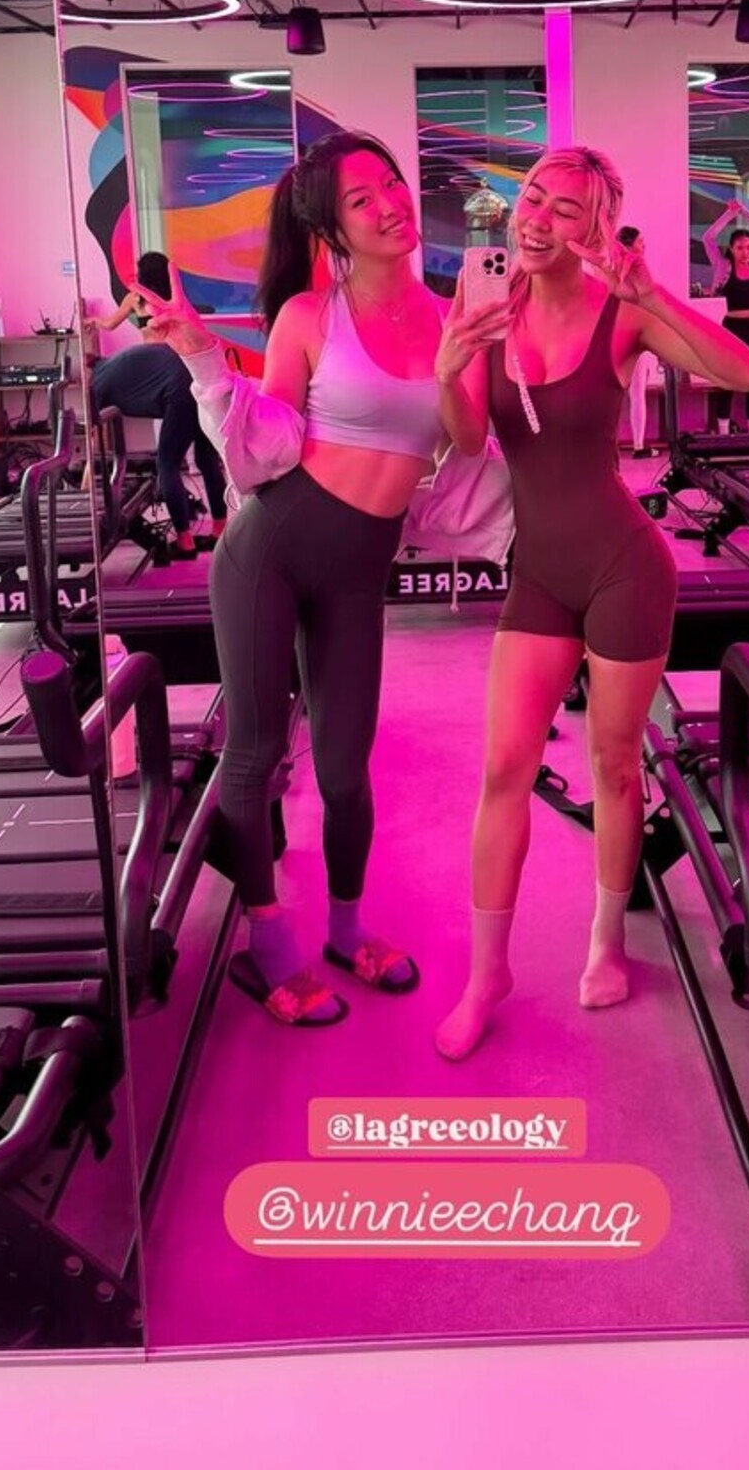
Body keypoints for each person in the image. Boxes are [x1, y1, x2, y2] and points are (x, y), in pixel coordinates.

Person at [136, 131, 507, 1029]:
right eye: (360, 199)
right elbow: (263, 446)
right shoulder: (308, 315)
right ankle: (267, 947)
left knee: (344, 768)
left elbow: (466, 437)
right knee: (256, 751)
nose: (390, 204)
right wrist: (202, 356)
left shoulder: (455, 315)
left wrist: (454, 366)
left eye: (392, 184)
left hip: (359, 572)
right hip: (270, 549)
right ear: (332, 228)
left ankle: (346, 930)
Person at [432, 145, 749, 1060]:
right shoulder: (487, 302)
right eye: (533, 198)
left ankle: (607, 940)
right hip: (539, 572)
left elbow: (746, 376)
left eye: (565, 210)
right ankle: (486, 973)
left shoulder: (623, 312)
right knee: (505, 767)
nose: (537, 218)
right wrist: (450, 363)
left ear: (597, 229)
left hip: (625, 568)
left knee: (615, 766)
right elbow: (468, 438)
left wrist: (654, 295)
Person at [87, 251, 228, 558]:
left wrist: (95, 323)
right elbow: (111, 324)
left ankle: (186, 541)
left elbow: (111, 325)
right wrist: (94, 321)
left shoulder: (146, 300)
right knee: (204, 459)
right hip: (179, 371)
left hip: (164, 378)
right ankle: (219, 529)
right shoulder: (160, 299)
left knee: (168, 463)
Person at [700, 199, 749, 433]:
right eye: (740, 247)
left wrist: (745, 212)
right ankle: (723, 432)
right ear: (731, 249)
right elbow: (708, 238)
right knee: (727, 379)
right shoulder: (723, 266)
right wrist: (730, 215)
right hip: (732, 326)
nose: (745, 252)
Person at [618, 227, 655, 457]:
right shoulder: (633, 268)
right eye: (640, 242)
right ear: (629, 245)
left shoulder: (615, 267)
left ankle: (630, 445)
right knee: (637, 391)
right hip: (633, 333)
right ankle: (639, 445)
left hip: (622, 333)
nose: (644, 246)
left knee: (622, 393)